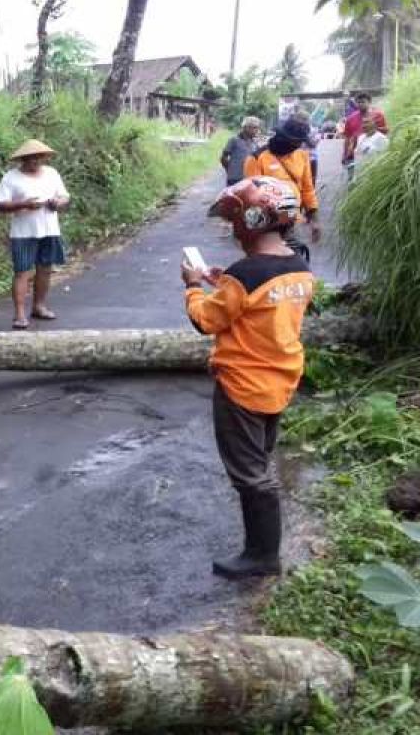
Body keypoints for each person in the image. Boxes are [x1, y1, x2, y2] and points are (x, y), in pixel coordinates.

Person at [182, 176, 315, 579]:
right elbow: (261, 304)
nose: (232, 228)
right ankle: (262, 549)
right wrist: (221, 281)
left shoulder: (245, 275)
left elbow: (206, 319)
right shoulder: (299, 267)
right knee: (260, 458)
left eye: (234, 220)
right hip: (279, 380)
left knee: (249, 473)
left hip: (241, 385)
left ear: (250, 221)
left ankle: (262, 556)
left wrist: (192, 288)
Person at [0, 139, 70, 329]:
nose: (35, 161)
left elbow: (64, 196)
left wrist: (57, 203)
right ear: (23, 159)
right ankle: (19, 314)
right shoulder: (11, 178)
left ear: (44, 157)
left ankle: (39, 306)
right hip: (23, 233)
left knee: (45, 269)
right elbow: (0, 205)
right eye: (31, 158)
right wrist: (24, 204)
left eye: (39, 157)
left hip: (49, 229)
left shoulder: (52, 174)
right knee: (22, 272)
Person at [243, 117, 320, 259]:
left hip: (292, 221)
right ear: (283, 137)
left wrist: (314, 219)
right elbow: (251, 198)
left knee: (294, 261)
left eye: (300, 142)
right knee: (268, 265)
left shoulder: (302, 156)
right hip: (267, 226)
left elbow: (308, 189)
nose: (298, 145)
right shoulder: (257, 158)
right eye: (295, 142)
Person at [342, 92, 389, 182]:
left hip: (373, 156)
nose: (360, 104)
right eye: (358, 102)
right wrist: (345, 155)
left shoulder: (378, 115)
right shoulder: (350, 118)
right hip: (354, 155)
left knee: (372, 181)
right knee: (352, 182)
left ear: (369, 102)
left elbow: (384, 133)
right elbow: (347, 138)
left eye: (363, 102)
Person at [220, 116, 261, 186]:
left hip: (249, 180)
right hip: (235, 179)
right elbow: (223, 157)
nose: (257, 130)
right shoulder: (234, 140)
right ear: (246, 128)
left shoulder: (255, 143)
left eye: (257, 128)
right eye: (254, 128)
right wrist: (229, 169)